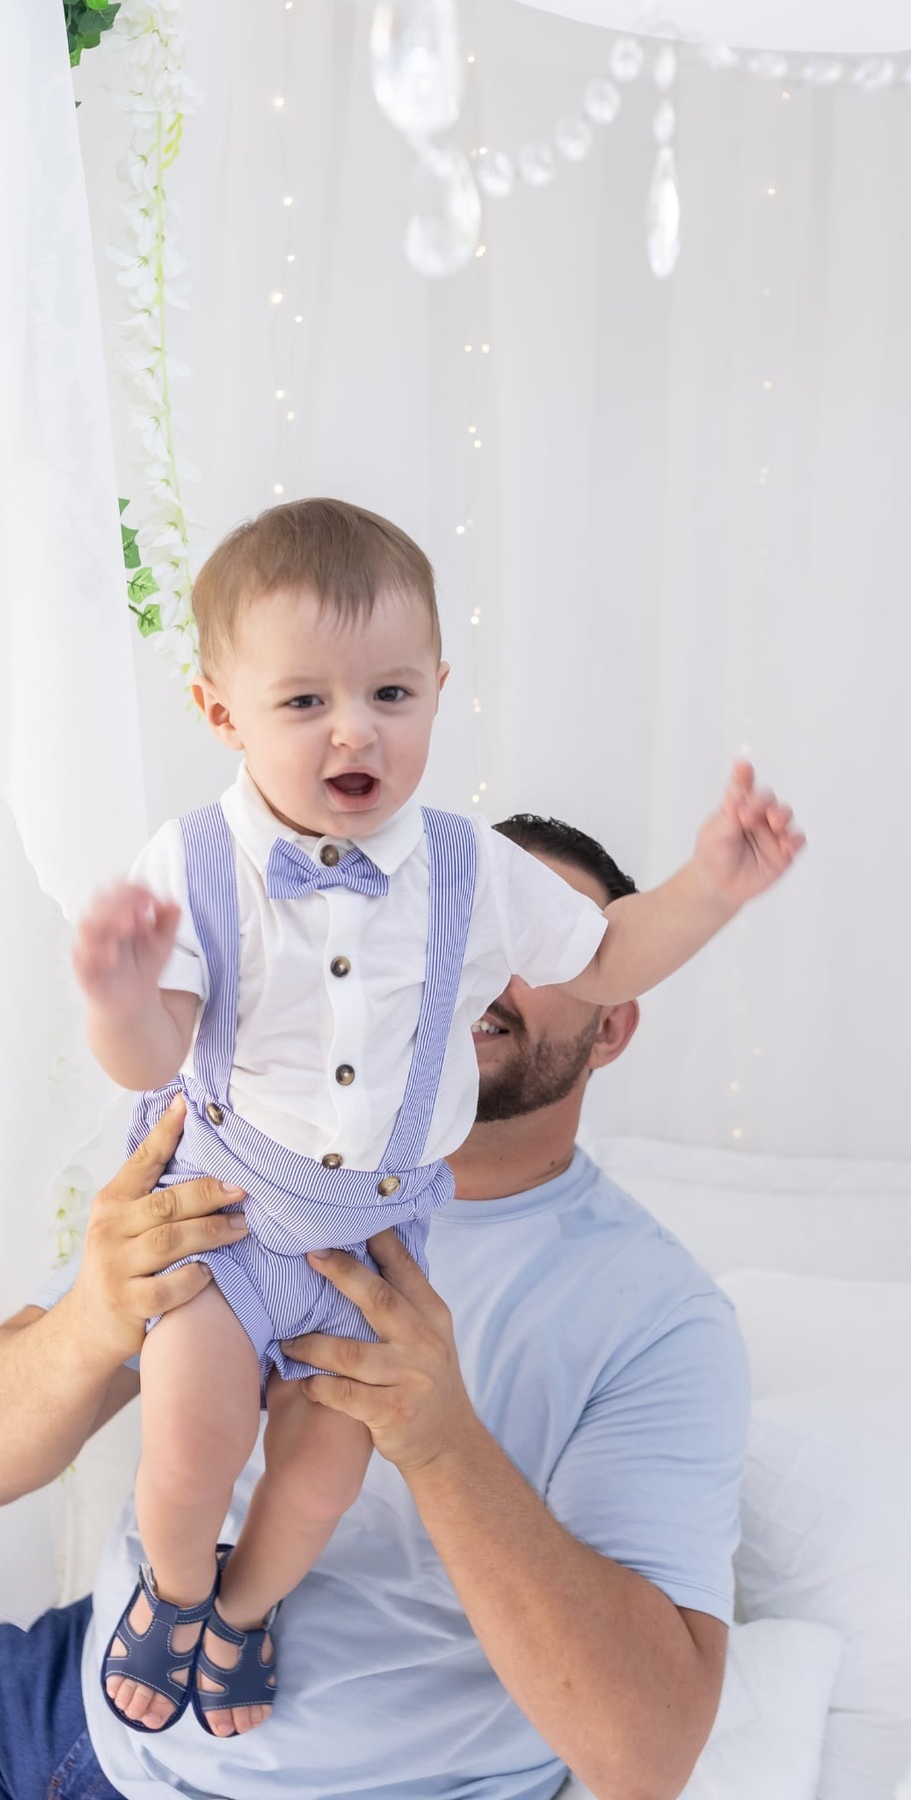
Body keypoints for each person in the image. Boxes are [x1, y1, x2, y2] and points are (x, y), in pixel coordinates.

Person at [0, 812, 754, 1800]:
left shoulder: (656, 1318)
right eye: (468, 926)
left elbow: (643, 1756)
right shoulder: (251, 1139)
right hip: (66, 1704)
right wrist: (97, 1315)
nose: (482, 962)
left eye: (538, 940)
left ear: (612, 1023)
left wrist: (443, 1446)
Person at [69, 497, 799, 1738]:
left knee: (317, 1479)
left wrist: (711, 889)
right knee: (190, 1451)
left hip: (369, 1251)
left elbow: (607, 954)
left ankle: (245, 1612)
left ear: (439, 692)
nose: (354, 728)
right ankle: (179, 1591)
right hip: (234, 1228)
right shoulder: (194, 865)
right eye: (305, 702)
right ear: (220, 712)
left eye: (391, 695)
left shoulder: (471, 868)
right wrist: (118, 994)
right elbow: (154, 1051)